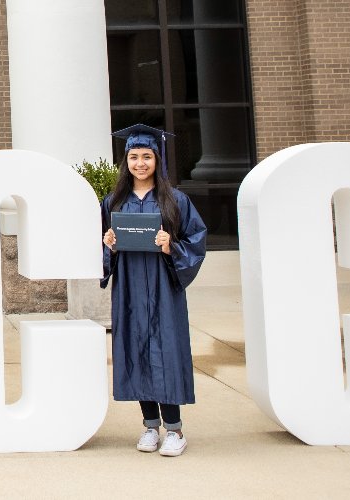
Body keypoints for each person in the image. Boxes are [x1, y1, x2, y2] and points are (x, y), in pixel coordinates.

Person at [100, 123, 207, 457]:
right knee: (137, 349)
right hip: (130, 287)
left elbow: (196, 241)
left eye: (147, 156)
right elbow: (99, 250)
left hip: (164, 287)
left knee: (167, 352)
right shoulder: (114, 201)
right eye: (134, 157)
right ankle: (150, 426)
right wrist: (108, 246)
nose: (140, 163)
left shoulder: (176, 200)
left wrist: (171, 246)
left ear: (157, 160)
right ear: (126, 162)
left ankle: (174, 430)